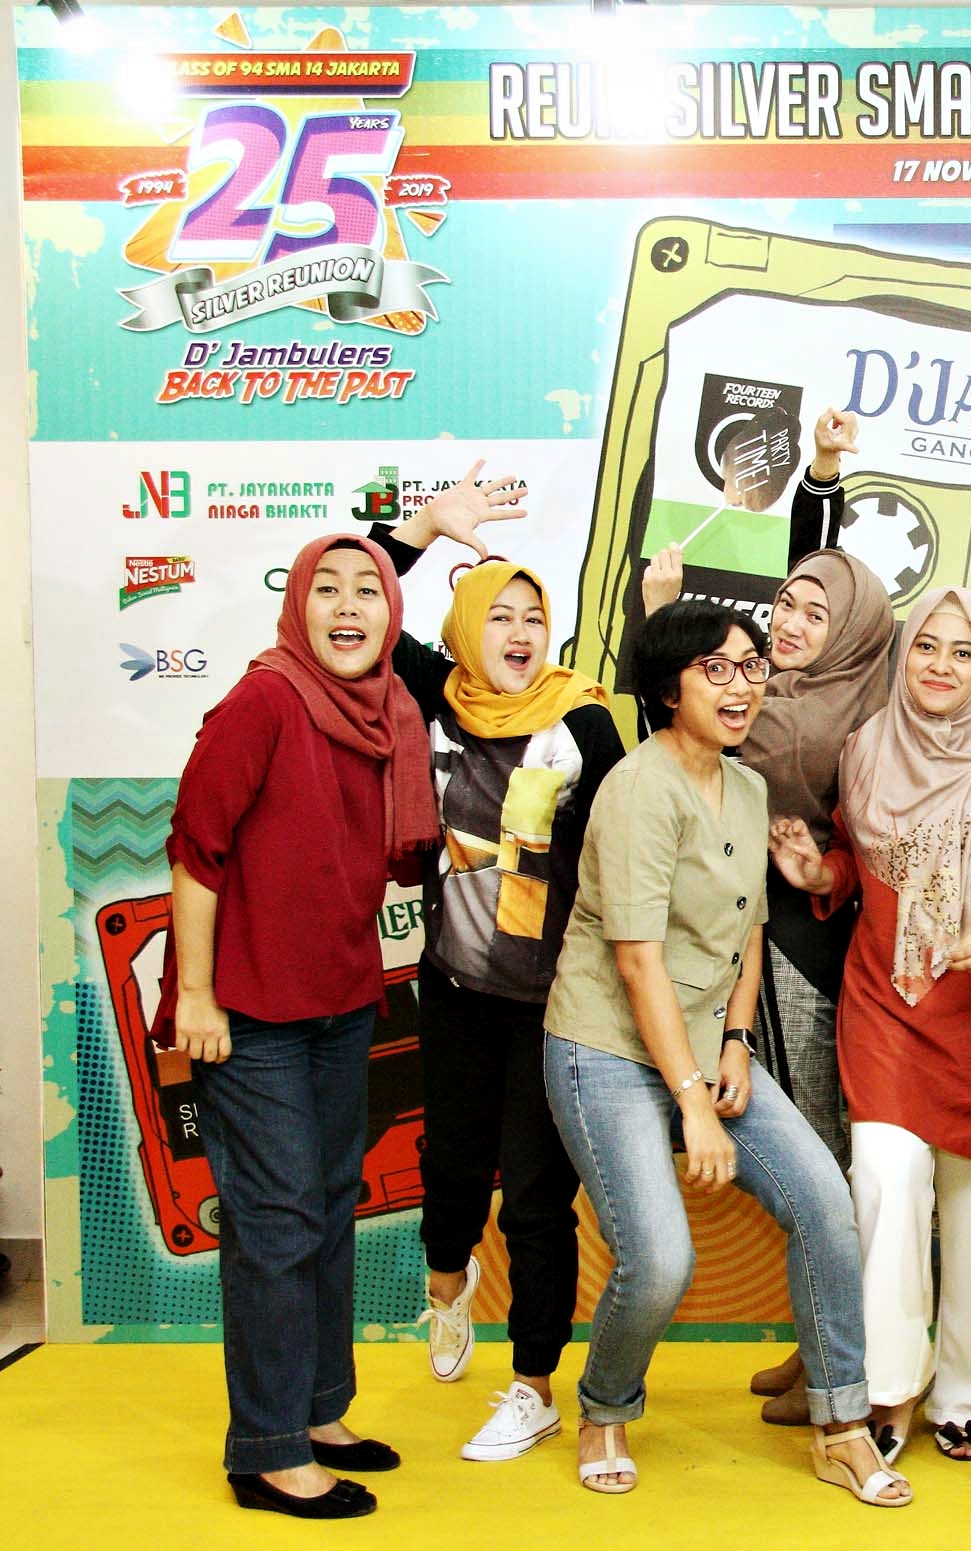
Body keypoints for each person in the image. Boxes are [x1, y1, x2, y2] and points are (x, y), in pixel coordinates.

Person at [541, 600, 907, 1506]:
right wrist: (693, 1099)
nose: (741, 685)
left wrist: (738, 1044)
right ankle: (605, 1405)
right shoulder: (638, 789)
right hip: (606, 1046)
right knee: (661, 1258)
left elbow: (748, 931)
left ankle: (842, 1424)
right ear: (669, 689)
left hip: (708, 1043)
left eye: (751, 666)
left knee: (825, 1201)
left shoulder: (745, 787)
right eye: (717, 668)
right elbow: (638, 960)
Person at [154, 535, 438, 1518]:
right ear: (296, 607)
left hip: (340, 1000)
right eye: (328, 588)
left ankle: (318, 1410)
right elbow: (196, 849)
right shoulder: (266, 699)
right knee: (274, 1223)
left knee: (324, 1205)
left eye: (369, 590)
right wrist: (196, 996)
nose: (348, 606)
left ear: (391, 615)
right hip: (249, 1012)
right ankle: (268, 1452)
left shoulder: (385, 712)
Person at [769, 587, 971, 1464]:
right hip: (887, 1008)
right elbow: (856, 862)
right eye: (926, 647)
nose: (941, 665)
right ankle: (883, 1388)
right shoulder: (868, 748)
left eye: (962, 651)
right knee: (883, 1180)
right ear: (903, 656)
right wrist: (820, 875)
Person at [358, 466, 625, 1462]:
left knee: (538, 1199)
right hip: (457, 989)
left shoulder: (582, 719)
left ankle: (533, 1385)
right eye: (499, 615)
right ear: (469, 628)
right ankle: (445, 1278)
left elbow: (625, 849)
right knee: (455, 1172)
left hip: (553, 1003)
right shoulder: (441, 697)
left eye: (533, 616)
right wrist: (425, 526)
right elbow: (360, 605)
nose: (518, 632)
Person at [643, 438, 893, 1425]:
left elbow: (691, 734)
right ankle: (819, 1342)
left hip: (797, 954)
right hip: (789, 941)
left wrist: (661, 625)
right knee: (812, 1164)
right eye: (783, 603)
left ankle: (843, 1357)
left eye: (814, 615)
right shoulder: (829, 690)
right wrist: (819, 482)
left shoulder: (789, 722)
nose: (788, 623)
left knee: (812, 1162)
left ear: (852, 632)